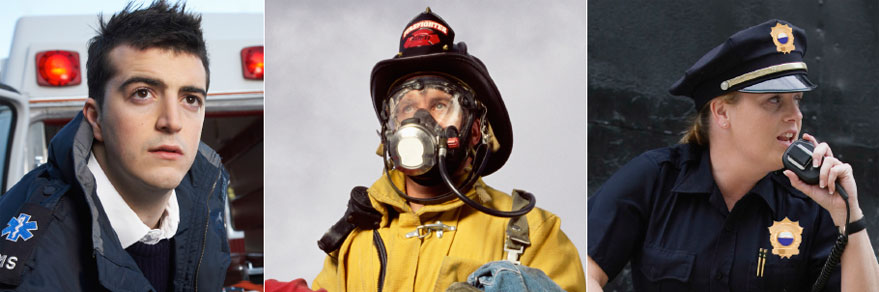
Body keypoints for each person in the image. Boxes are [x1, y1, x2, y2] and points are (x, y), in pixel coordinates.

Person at [587, 19, 879, 291]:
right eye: (774, 100)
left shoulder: (812, 202)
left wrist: (848, 214)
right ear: (722, 112)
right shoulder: (654, 179)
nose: (795, 116)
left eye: (797, 100)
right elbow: (581, 272)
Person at [312, 8, 586, 292]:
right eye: (406, 108)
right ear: (389, 130)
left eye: (439, 105)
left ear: (476, 128)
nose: (420, 120)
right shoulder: (356, 237)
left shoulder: (530, 232)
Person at [0, 1, 230, 291]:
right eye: (143, 93)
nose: (172, 121)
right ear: (96, 118)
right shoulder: (28, 267)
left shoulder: (205, 212)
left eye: (190, 99)